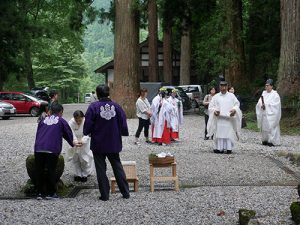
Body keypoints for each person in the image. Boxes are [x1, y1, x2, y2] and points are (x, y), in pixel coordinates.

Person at [83, 85, 130, 201]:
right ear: (108, 93)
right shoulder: (117, 107)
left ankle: (104, 195)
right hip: (113, 142)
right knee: (117, 166)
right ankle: (125, 192)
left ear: (97, 95)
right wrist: (122, 132)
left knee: (100, 169)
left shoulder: (93, 107)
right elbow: (123, 123)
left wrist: (87, 132)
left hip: (98, 143)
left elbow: (88, 125)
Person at [34, 103, 74, 200]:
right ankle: (51, 193)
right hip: (51, 149)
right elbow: (68, 134)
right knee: (51, 170)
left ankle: (39, 193)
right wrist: (73, 143)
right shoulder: (61, 121)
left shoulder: (43, 120)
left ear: (50, 111)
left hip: (39, 148)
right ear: (61, 112)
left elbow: (38, 133)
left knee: (39, 170)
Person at [207, 80, 242, 154]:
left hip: (228, 119)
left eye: (225, 86)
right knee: (219, 133)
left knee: (228, 133)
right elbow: (211, 107)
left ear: (227, 87)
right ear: (219, 87)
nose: (223, 88)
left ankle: (228, 148)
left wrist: (234, 110)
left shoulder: (231, 96)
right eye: (222, 86)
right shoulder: (216, 97)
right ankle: (219, 148)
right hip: (219, 118)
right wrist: (214, 111)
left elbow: (237, 104)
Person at [67, 110, 94, 182]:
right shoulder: (71, 123)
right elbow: (70, 133)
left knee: (84, 158)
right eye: (76, 120)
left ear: (83, 118)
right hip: (75, 142)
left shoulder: (86, 122)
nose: (78, 122)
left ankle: (85, 174)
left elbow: (88, 133)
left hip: (84, 141)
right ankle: (78, 174)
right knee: (75, 158)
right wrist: (75, 141)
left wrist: (83, 141)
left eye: (80, 120)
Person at [256, 79, 281, 146]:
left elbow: (275, 105)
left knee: (271, 127)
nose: (266, 87)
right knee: (264, 128)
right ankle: (265, 140)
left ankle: (272, 141)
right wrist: (261, 105)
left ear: (271, 86)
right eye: (266, 86)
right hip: (264, 114)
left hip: (271, 115)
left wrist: (266, 106)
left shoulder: (275, 95)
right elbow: (259, 102)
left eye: (268, 86)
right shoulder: (264, 93)